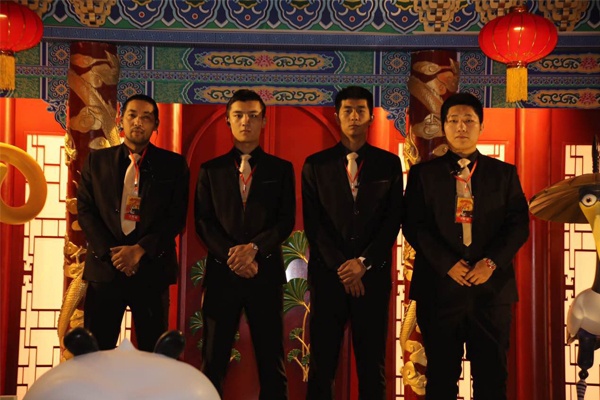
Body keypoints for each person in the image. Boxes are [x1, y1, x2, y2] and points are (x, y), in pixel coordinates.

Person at [403, 92, 530, 399]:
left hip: (491, 292)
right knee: (440, 379)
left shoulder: (504, 173)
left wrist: (491, 262)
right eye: (454, 120)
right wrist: (446, 263)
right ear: (443, 126)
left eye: (469, 120)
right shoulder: (423, 174)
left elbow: (519, 225)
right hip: (439, 291)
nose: (461, 127)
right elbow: (413, 225)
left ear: (481, 126)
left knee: (492, 378)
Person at [301, 86, 403, 399]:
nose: (354, 116)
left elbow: (392, 221)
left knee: (372, 366)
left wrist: (363, 263)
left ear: (371, 116)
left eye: (361, 110)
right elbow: (314, 224)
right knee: (322, 365)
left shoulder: (388, 164)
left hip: (372, 279)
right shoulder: (315, 165)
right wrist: (343, 268)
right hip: (328, 278)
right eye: (347, 110)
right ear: (337, 116)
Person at [194, 89, 295, 399]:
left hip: (265, 274)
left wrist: (253, 250)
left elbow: (285, 221)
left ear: (264, 121)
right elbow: (203, 222)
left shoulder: (281, 169)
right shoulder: (210, 170)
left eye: (253, 116)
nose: (245, 122)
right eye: (238, 115)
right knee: (213, 358)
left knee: (271, 360)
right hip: (222, 275)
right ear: (227, 120)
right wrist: (233, 256)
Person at [77, 94, 190, 352]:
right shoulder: (97, 161)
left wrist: (139, 250)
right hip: (106, 271)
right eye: (132, 115)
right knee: (97, 352)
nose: (138, 122)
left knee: (153, 352)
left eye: (146, 117)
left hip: (151, 268)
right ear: (121, 120)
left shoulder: (173, 165)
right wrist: (114, 254)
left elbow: (176, 216)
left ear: (156, 124)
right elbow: (85, 210)